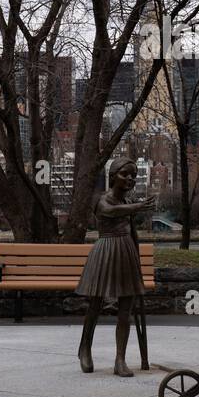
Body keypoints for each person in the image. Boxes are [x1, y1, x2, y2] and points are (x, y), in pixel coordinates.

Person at [76, 158, 154, 377]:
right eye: (124, 174)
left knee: (125, 308)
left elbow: (131, 229)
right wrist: (138, 207)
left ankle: (120, 359)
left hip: (126, 252)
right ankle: (85, 348)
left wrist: (136, 257)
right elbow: (111, 212)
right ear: (112, 176)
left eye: (133, 175)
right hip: (105, 251)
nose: (129, 179)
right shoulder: (103, 200)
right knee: (95, 303)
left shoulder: (127, 201)